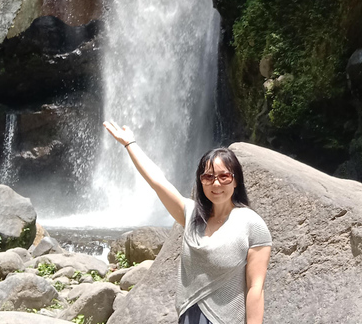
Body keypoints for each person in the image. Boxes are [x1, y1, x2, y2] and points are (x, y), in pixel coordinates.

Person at [102, 121, 272, 324]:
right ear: (201, 182)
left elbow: (255, 287)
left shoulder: (252, 225)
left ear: (235, 181)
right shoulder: (191, 215)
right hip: (189, 316)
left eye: (224, 176)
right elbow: (158, 181)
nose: (216, 183)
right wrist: (130, 144)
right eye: (208, 177)